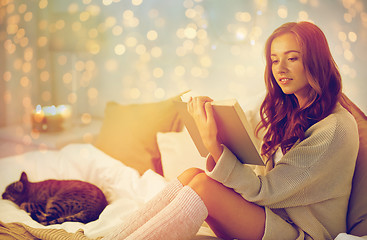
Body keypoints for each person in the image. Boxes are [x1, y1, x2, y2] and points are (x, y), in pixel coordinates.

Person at [103, 21, 359, 240]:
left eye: (292, 58)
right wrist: (216, 121)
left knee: (203, 186)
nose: (280, 69)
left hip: (303, 233)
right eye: (274, 60)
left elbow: (265, 191)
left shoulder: (335, 127)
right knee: (192, 174)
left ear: (315, 60)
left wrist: (213, 143)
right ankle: (116, 236)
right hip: (273, 219)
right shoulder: (289, 110)